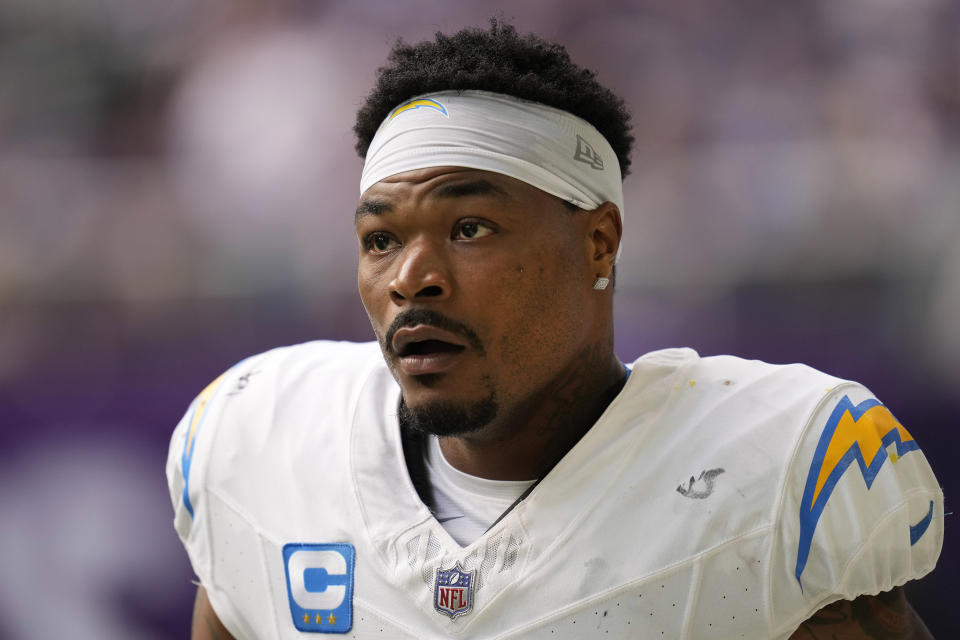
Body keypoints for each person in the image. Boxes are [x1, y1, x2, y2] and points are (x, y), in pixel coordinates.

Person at [167, 21, 943, 639]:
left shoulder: (768, 478)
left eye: (469, 227)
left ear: (597, 242)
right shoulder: (258, 440)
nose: (412, 277)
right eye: (381, 240)